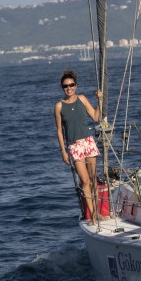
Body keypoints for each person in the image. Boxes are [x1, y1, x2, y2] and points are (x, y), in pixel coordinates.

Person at [54, 69, 103, 222]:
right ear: (62, 88)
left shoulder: (82, 99)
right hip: (74, 146)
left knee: (93, 179)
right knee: (85, 180)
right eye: (65, 86)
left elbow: (96, 117)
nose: (68, 88)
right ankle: (93, 214)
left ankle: (98, 211)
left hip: (88, 142)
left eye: (71, 85)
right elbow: (60, 131)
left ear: (76, 85)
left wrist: (99, 100)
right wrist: (63, 151)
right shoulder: (59, 106)